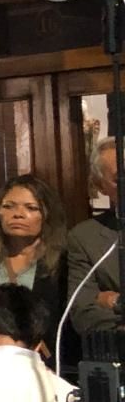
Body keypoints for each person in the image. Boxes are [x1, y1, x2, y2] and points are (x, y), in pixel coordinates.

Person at [0, 175, 69, 371]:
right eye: (9, 206)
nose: (18, 214)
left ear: (47, 215)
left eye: (30, 208)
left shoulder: (63, 265)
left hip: (47, 371)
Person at [69, 139, 122, 337]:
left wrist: (113, 301)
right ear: (101, 186)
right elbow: (82, 313)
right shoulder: (84, 238)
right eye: (119, 178)